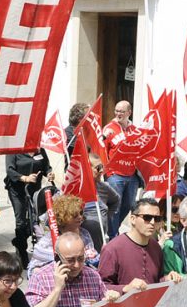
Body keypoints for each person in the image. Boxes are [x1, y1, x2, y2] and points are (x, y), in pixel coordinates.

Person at [28, 194, 97, 277]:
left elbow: (93, 258)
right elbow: (32, 271)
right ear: (62, 217)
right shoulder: (47, 241)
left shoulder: (84, 233)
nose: (80, 217)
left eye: (81, 213)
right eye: (75, 215)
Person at [5, 149, 53, 264]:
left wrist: (49, 173)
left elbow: (46, 167)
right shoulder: (14, 150)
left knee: (34, 221)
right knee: (21, 221)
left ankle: (18, 241)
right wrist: (25, 178)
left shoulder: (40, 150)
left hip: (34, 191)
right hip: (17, 191)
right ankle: (22, 253)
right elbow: (10, 171)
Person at [103, 100, 140, 237]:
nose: (118, 114)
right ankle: (113, 235)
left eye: (122, 111)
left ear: (129, 113)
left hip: (131, 174)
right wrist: (107, 172)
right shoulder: (109, 129)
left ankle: (113, 228)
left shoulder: (135, 130)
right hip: (115, 175)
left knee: (129, 205)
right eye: (116, 111)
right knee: (115, 207)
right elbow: (101, 152)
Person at [82, 152, 119, 252]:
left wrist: (105, 217)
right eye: (98, 168)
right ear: (87, 168)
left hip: (99, 241)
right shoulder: (75, 188)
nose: (102, 171)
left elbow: (116, 200)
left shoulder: (104, 187)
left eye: (102, 167)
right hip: (81, 244)